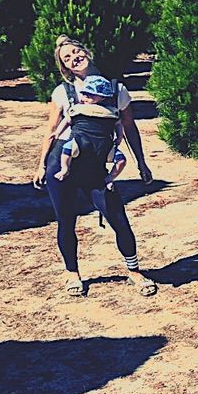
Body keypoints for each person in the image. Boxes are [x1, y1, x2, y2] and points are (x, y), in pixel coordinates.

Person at [31, 35, 157, 297]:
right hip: (63, 161)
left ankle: (134, 270)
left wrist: (141, 162)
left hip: (97, 167)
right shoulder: (62, 92)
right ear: (64, 67)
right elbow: (52, 131)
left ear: (86, 52)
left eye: (76, 51)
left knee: (118, 218)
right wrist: (42, 164)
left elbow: (130, 128)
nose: (74, 57)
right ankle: (72, 273)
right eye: (67, 57)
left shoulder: (116, 89)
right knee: (66, 221)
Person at [52, 75, 128, 189]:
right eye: (84, 93)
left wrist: (119, 137)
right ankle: (65, 169)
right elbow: (67, 120)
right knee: (67, 148)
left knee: (121, 160)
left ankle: (110, 178)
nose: (85, 96)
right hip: (79, 143)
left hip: (104, 146)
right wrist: (57, 132)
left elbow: (118, 124)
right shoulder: (77, 109)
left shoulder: (111, 111)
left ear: (102, 97)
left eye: (90, 94)